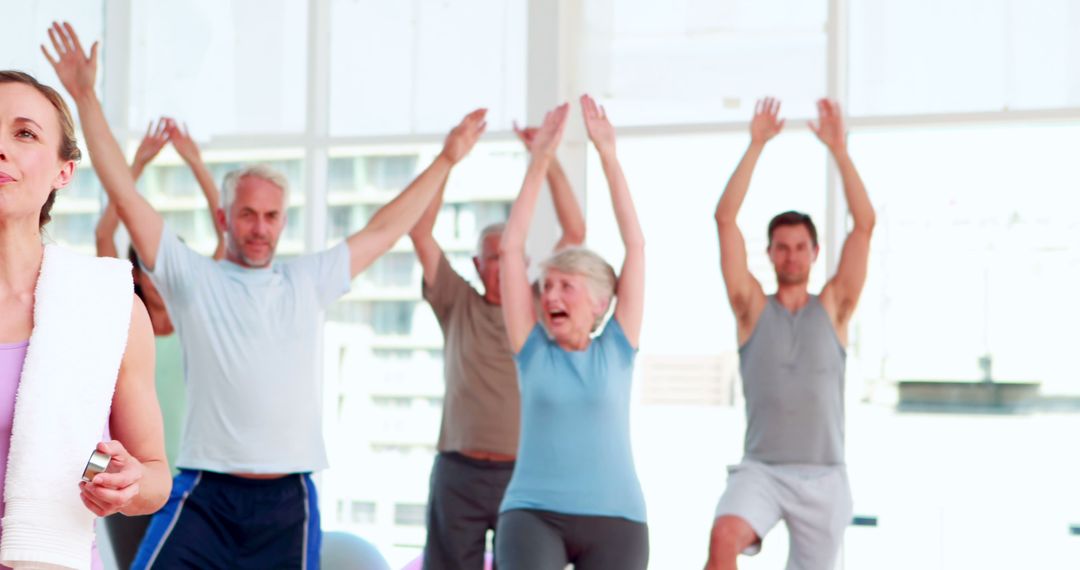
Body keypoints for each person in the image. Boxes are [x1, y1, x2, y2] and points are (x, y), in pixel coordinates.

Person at [44, 21, 487, 569]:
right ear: (226, 216)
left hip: (287, 500)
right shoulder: (192, 277)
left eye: (272, 216)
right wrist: (86, 96)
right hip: (204, 491)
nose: (260, 227)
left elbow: (383, 229)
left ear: (282, 221)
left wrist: (446, 158)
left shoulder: (307, 281)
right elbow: (125, 196)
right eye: (248, 214)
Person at [0, 62, 169, 568]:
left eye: (24, 132)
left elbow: (156, 474)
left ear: (63, 171)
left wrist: (127, 483)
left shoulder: (106, 306)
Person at [706, 97, 875, 570]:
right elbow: (724, 219)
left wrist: (839, 150)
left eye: (800, 247)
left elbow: (864, 224)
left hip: (824, 477)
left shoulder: (836, 307)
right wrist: (756, 144)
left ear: (815, 252)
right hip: (761, 470)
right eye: (782, 248)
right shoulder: (750, 309)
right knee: (723, 537)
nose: (791, 256)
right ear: (771, 254)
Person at [409, 118, 585, 569]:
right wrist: (450, 160)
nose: (502, 265)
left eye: (511, 257)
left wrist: (543, 157)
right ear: (477, 262)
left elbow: (575, 233)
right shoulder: (455, 300)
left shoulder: (538, 305)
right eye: (493, 257)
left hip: (521, 471)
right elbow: (420, 233)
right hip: (458, 471)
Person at [493, 96, 648, 570]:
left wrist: (608, 156)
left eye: (566, 287)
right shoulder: (532, 349)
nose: (551, 295)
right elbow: (511, 247)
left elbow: (635, 244)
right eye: (548, 286)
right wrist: (539, 158)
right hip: (532, 513)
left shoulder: (618, 349)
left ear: (601, 302)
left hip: (617, 519)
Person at [96, 116, 222, 569]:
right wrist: (139, 162)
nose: (155, 278)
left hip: (193, 481)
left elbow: (225, 237)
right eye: (145, 267)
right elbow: (104, 234)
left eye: (162, 267)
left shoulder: (199, 316)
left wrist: (195, 161)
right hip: (134, 474)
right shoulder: (124, 321)